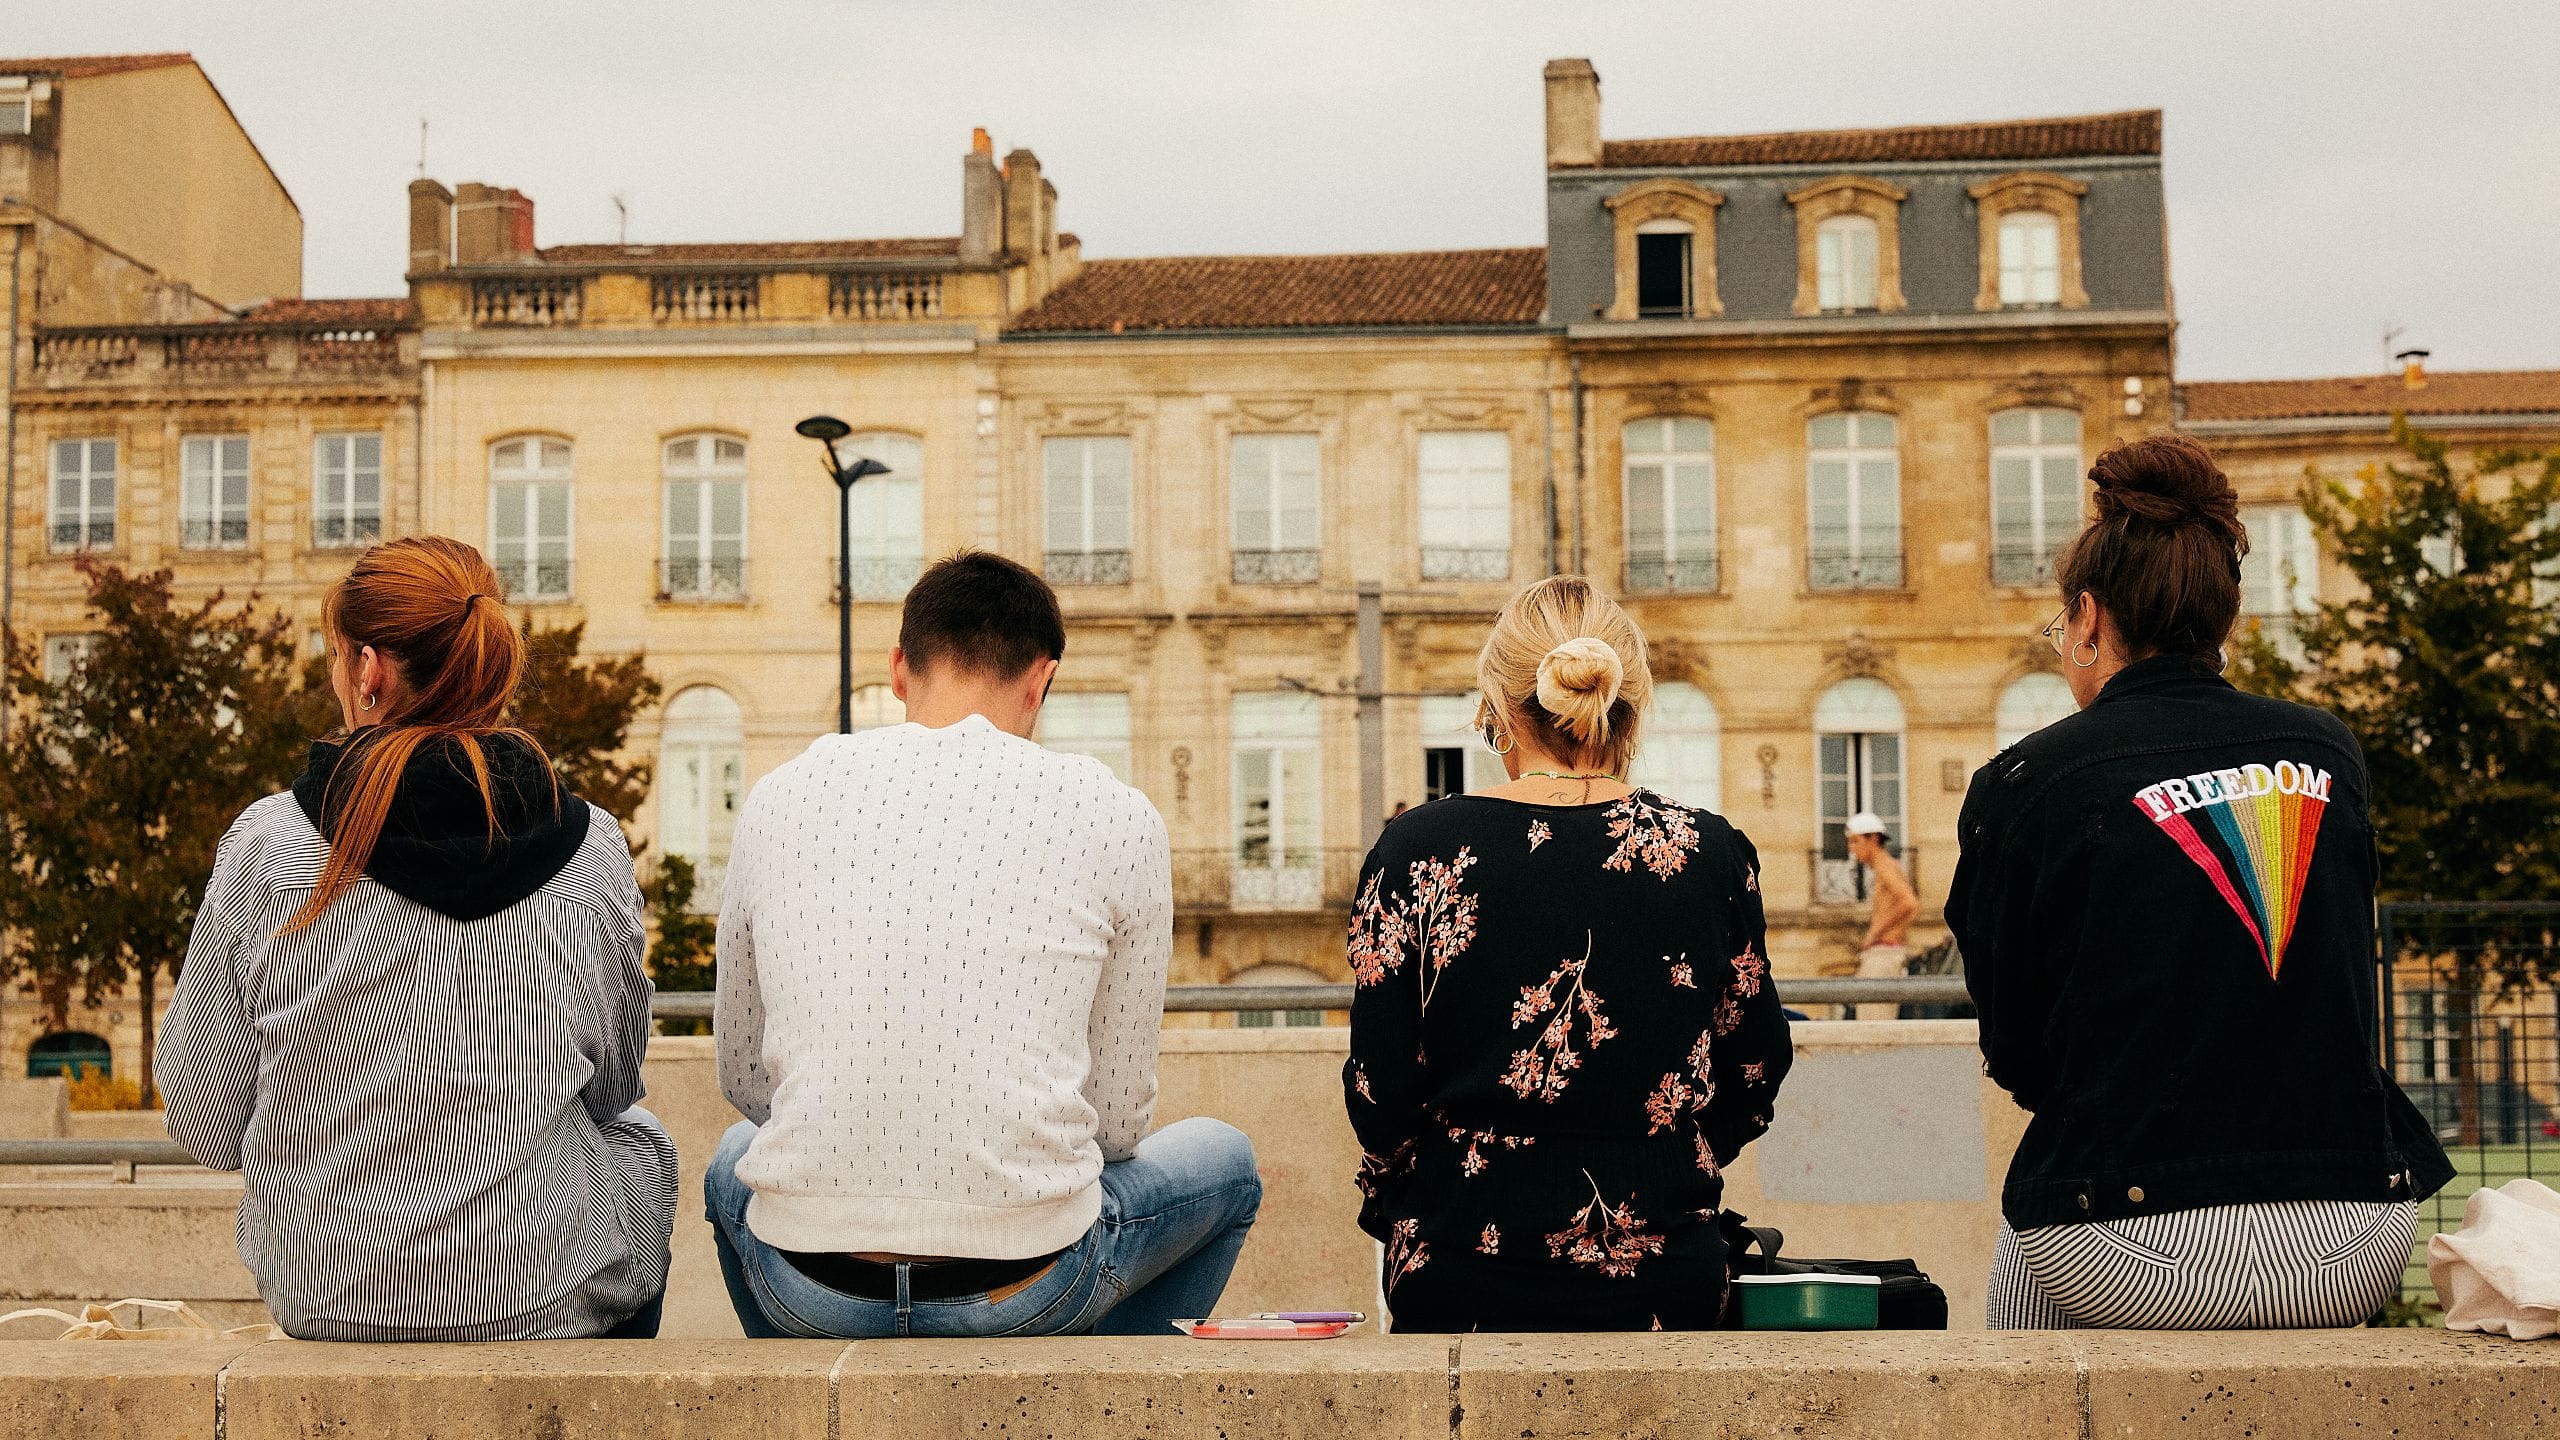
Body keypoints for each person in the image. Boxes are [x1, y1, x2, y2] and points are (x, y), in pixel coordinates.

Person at [1950, 435, 2452, 1330]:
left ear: (2089, 620)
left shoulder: (2027, 784)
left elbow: (2019, 1053)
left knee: (2030, 1242)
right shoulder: (2326, 750)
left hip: (2128, 1244)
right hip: (2356, 1233)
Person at [706, 550, 1259, 1339]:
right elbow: (1116, 1124)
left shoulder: (779, 795)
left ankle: (812, 1397)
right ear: (1041, 681)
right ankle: (1089, 1401)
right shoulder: (1117, 813)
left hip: (809, 1288)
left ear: (899, 669)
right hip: (1028, 1286)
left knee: (734, 1158)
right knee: (1228, 1163)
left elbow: (744, 1079)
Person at [157, 536, 674, 1341]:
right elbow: (610, 1090)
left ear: (369, 670)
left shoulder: (269, 847)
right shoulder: (590, 848)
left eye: (334, 657)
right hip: (538, 1292)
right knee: (643, 1142)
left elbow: (207, 1122)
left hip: (326, 1298)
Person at [1344, 576, 1792, 1333]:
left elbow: (1378, 1092)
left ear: (1495, 713)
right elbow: (1753, 1070)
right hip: (1662, 1275)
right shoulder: (1708, 854)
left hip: (1460, 1270)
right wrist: (1655, 1164)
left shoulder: (1416, 849)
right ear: (1632, 706)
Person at [1845, 811, 1916, 1020]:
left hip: (1883, 955)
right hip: (1884, 954)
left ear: (1873, 839)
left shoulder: (1884, 865)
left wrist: (1874, 934)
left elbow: (1909, 902)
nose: (1852, 848)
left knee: (1871, 1027)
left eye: (1855, 841)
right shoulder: (1885, 866)